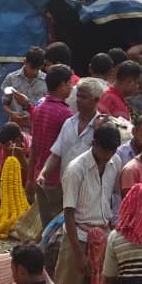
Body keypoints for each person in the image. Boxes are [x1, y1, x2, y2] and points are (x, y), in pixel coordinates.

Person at [28, 65, 84, 226]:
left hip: (41, 176)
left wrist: (31, 177)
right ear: (61, 85)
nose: (71, 87)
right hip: (58, 179)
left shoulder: (39, 109)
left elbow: (34, 146)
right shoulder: (66, 114)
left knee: (47, 226)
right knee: (60, 226)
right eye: (69, 84)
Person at [37, 77, 105, 190]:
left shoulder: (102, 127)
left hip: (90, 192)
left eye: (83, 97)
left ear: (96, 100)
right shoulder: (69, 123)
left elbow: (104, 160)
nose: (78, 100)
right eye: (78, 96)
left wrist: (98, 133)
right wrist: (43, 173)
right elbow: (56, 155)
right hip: (66, 189)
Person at [1, 46, 47, 127]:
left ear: (41, 66)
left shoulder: (47, 81)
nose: (33, 71)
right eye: (31, 68)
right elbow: (5, 104)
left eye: (37, 68)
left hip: (36, 129)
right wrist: (12, 113)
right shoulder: (11, 78)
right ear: (25, 62)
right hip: (16, 128)